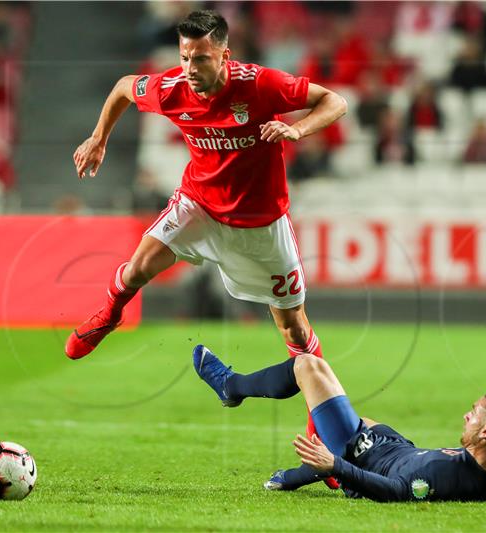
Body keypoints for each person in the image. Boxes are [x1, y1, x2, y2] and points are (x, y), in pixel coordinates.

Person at [66, 10, 347, 483]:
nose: (190, 68)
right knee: (136, 268)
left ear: (224, 55)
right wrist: (99, 138)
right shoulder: (171, 87)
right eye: (184, 57)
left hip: (261, 225)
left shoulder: (260, 85)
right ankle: (108, 315)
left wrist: (296, 129)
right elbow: (121, 88)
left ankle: (319, 436)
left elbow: (333, 100)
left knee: (297, 335)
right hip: (198, 206)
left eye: (200, 58)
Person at [192, 345, 486, 502]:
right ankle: (317, 472)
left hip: (361, 453)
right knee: (363, 418)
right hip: (393, 444)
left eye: (474, 412)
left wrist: (337, 464)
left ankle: (231, 386)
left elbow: (393, 492)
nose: (467, 414)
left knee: (308, 365)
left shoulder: (443, 477)